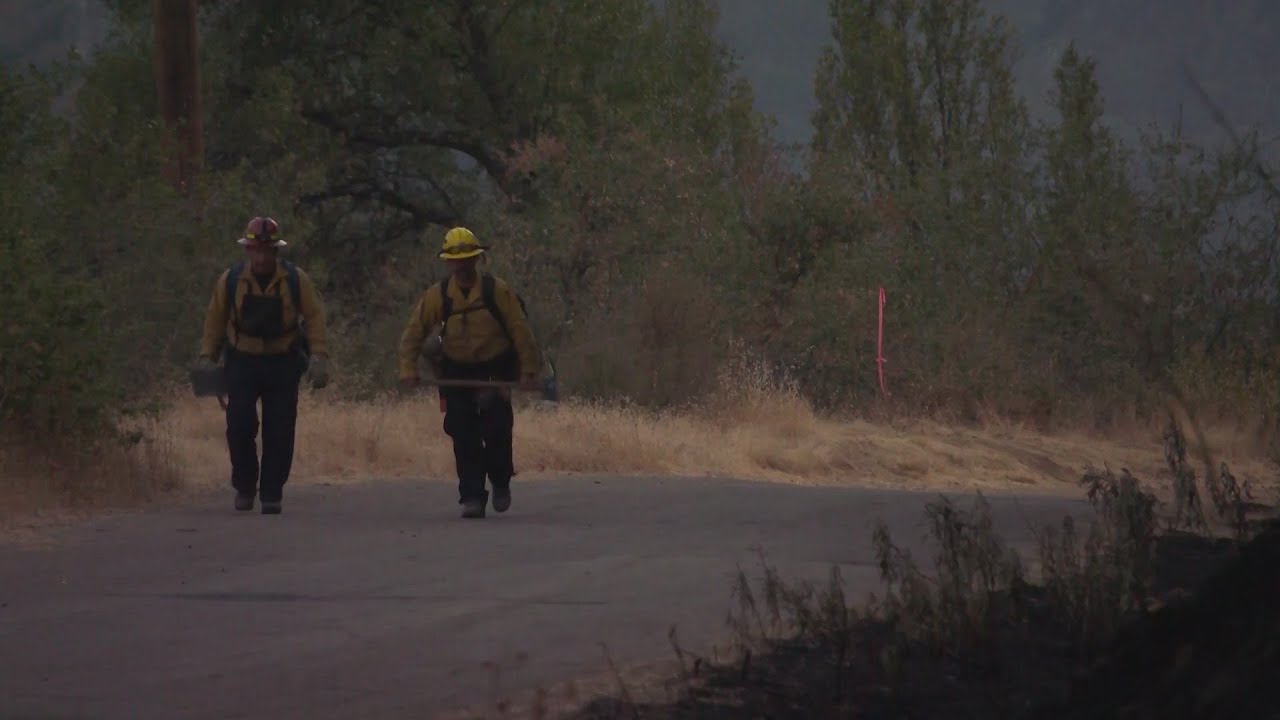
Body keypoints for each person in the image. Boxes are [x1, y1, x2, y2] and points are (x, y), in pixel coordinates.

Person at [398, 226, 542, 519]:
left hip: (495, 367)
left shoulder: (496, 291)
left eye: (467, 259)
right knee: (462, 431)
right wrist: (407, 369)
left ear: (476, 259)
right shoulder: (438, 296)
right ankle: (472, 495)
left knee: (497, 429)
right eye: (456, 261)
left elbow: (520, 330)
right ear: (448, 263)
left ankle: (500, 480)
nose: (461, 266)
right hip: (456, 369)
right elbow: (413, 333)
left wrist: (528, 370)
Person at [194, 216, 330, 515]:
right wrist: (207, 357)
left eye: (267, 251)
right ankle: (244, 486)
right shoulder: (230, 280)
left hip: (283, 361)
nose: (261, 257)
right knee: (239, 425)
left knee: (280, 429)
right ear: (247, 250)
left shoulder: (296, 280)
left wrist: (319, 356)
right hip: (242, 360)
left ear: (275, 251)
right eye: (256, 250)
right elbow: (215, 320)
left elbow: (314, 317)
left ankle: (271, 492)